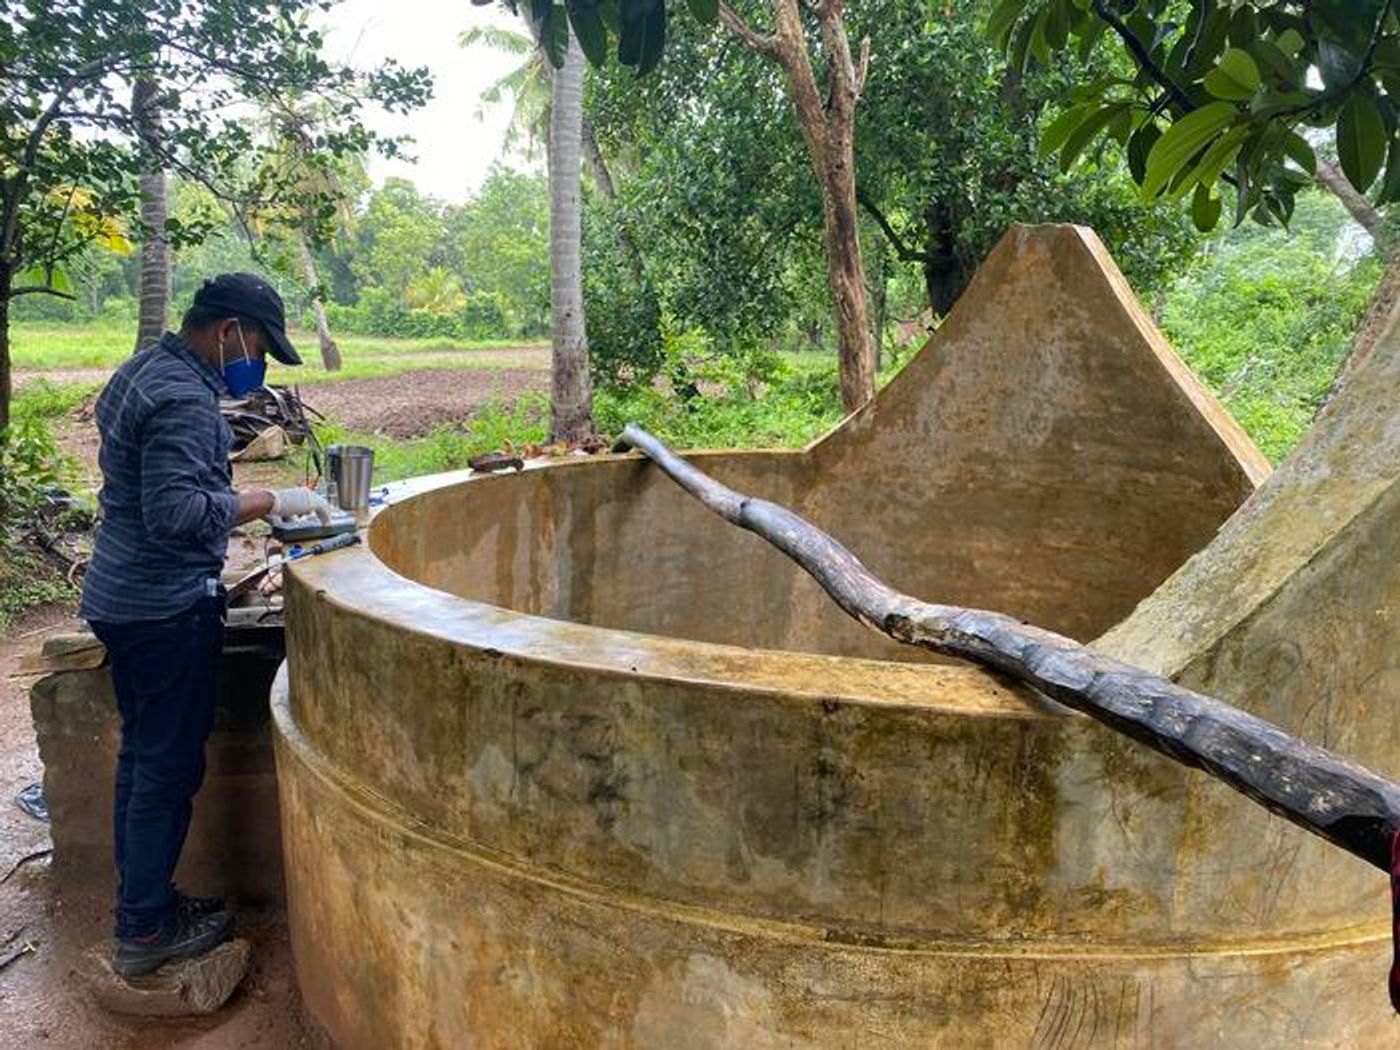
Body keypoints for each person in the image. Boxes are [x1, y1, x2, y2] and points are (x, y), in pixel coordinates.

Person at [80, 274, 333, 978]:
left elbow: (141, 493)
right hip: (163, 607)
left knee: (143, 759)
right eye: (257, 345)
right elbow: (178, 513)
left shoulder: (141, 371)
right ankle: (146, 929)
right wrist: (271, 497)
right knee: (166, 766)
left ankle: (144, 903)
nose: (257, 364)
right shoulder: (187, 400)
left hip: (118, 593)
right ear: (228, 332)